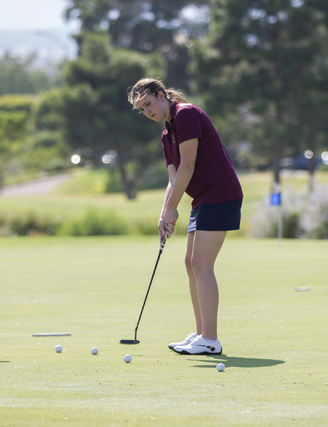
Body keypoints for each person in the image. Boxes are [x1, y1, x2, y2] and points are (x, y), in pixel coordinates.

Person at [128, 78, 244, 355]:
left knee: (202, 264)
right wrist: (164, 212)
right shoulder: (167, 135)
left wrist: (172, 207)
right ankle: (201, 334)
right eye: (142, 110)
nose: (148, 112)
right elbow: (173, 179)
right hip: (202, 199)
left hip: (220, 193)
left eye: (148, 104)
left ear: (160, 95)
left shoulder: (186, 114)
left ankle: (211, 339)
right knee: (191, 264)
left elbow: (189, 166)